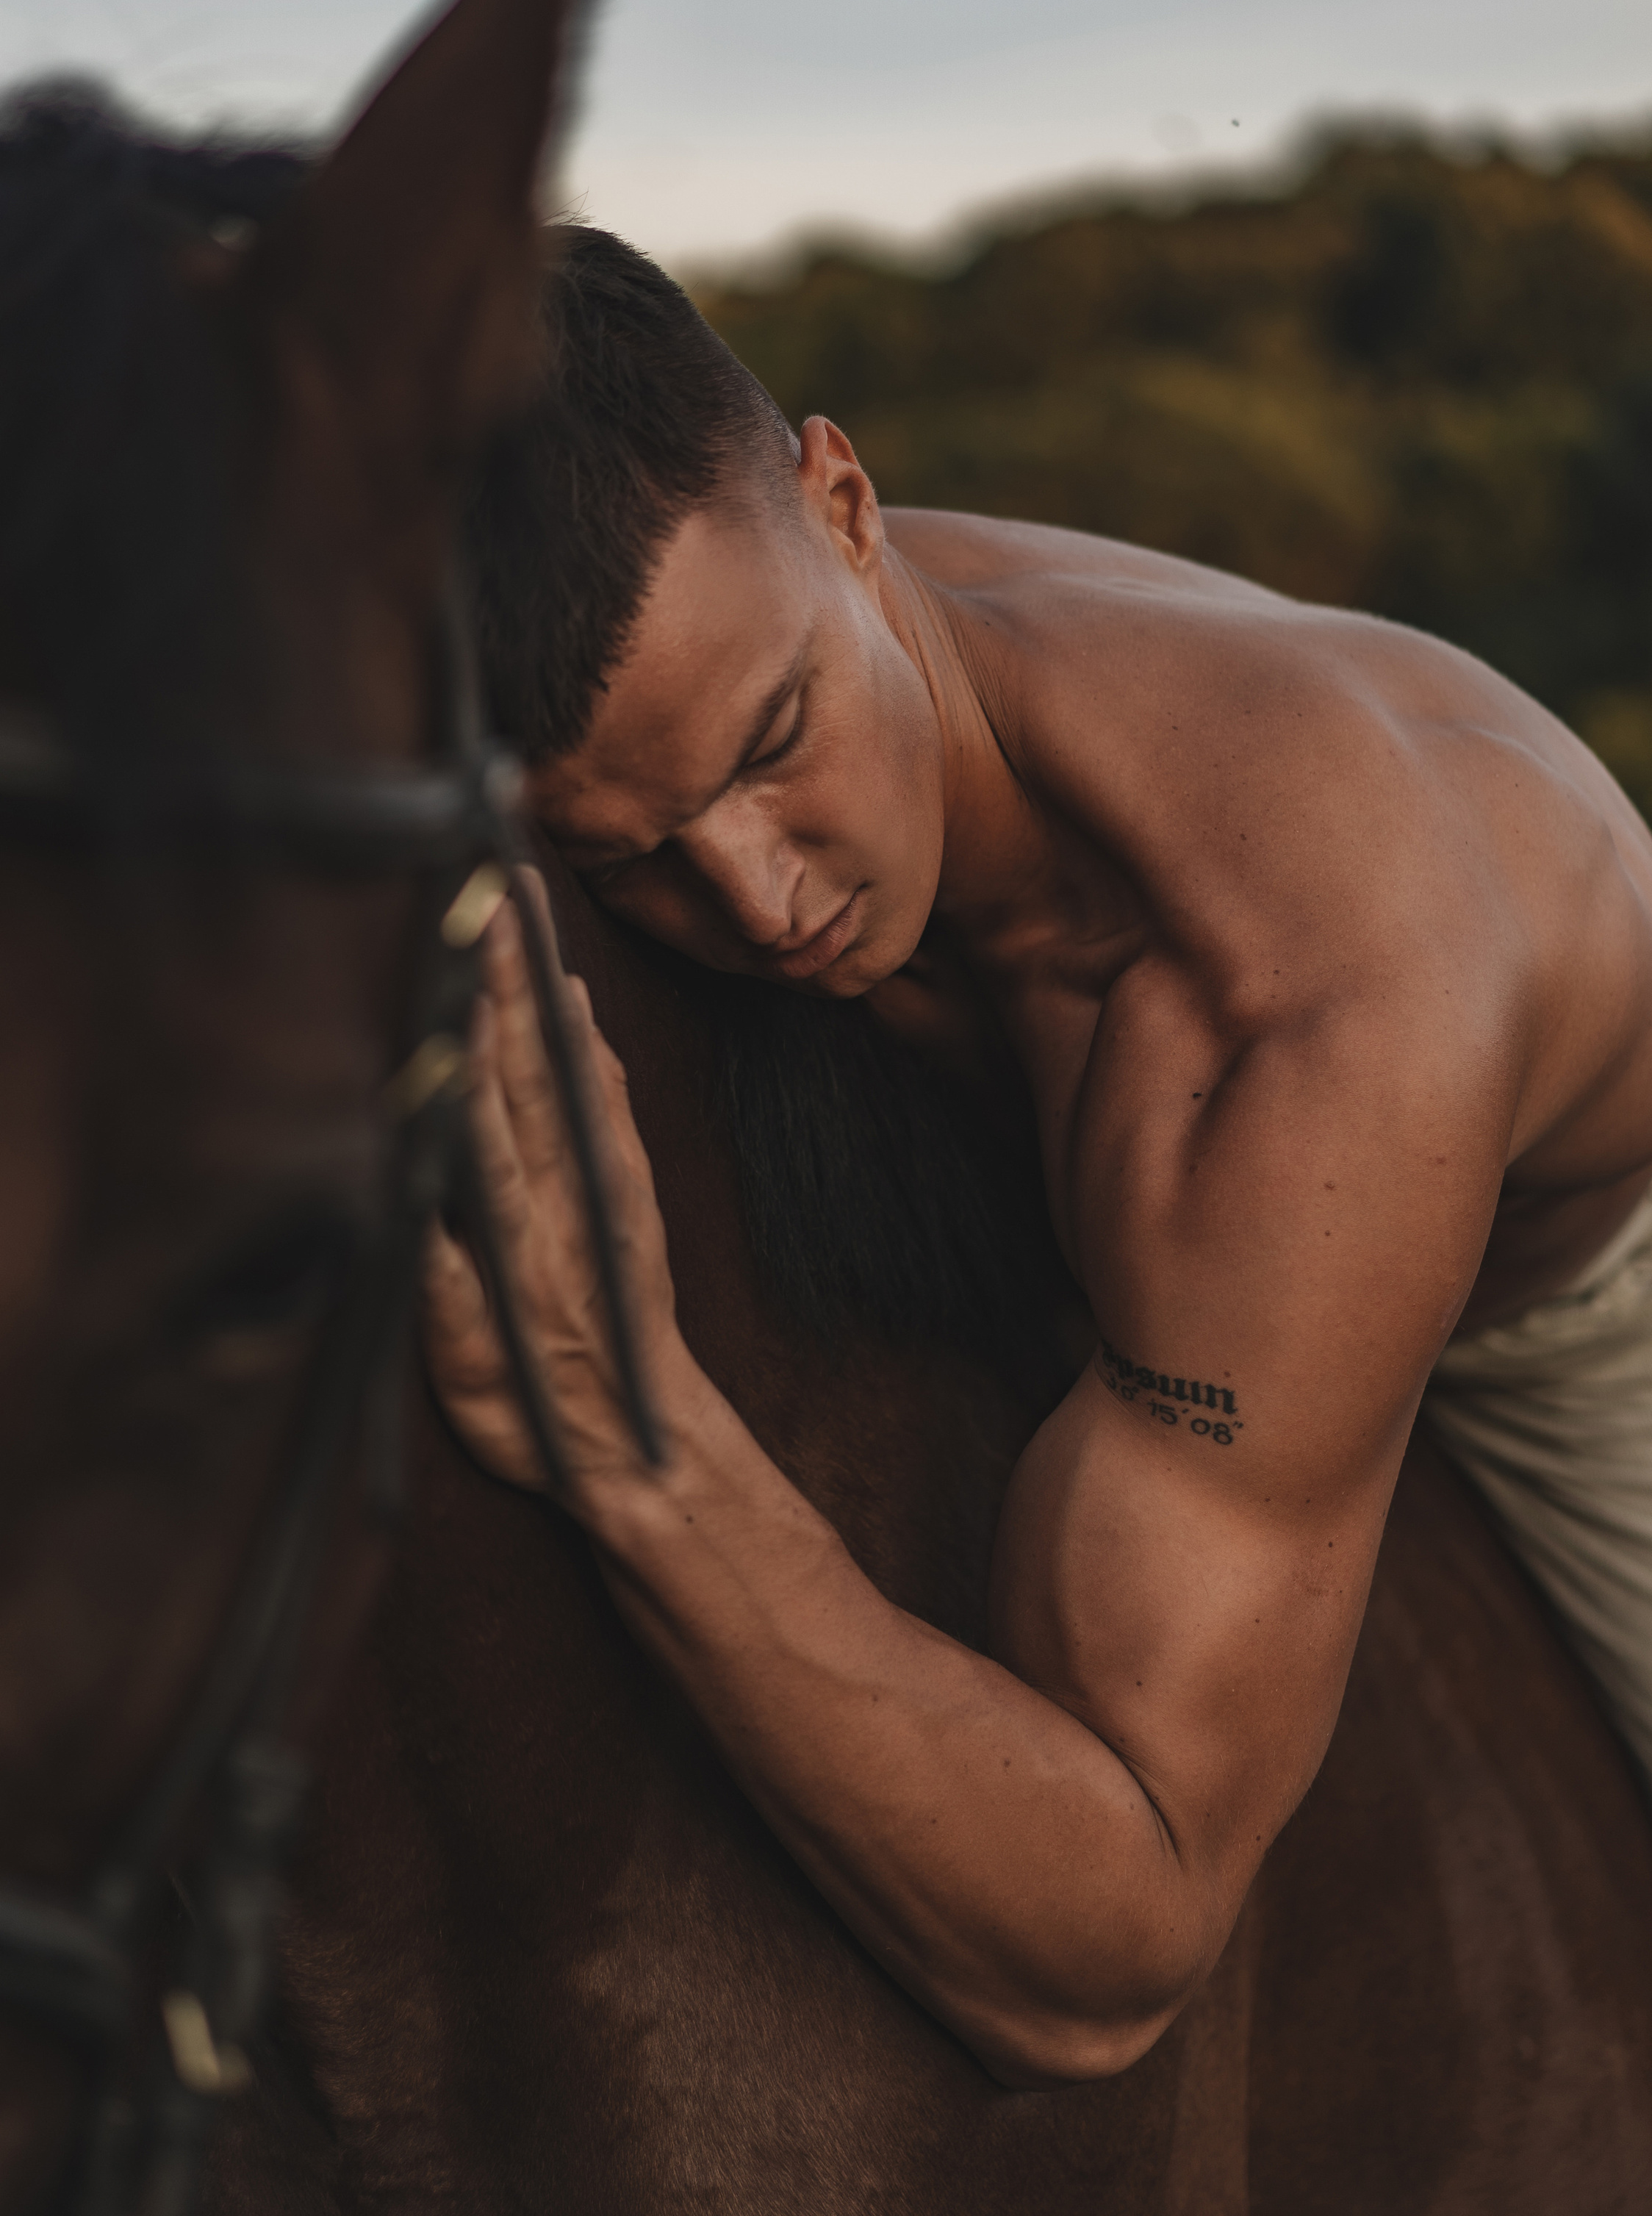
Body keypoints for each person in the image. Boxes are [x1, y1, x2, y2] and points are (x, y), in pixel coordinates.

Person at [420, 225, 1652, 2086]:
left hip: (1566, 1294)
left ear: (842, 495)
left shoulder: (1301, 1003)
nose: (752, 901)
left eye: (772, 744)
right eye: (627, 855)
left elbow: (1116, 1941)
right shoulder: (769, 606)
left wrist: (629, 1436)